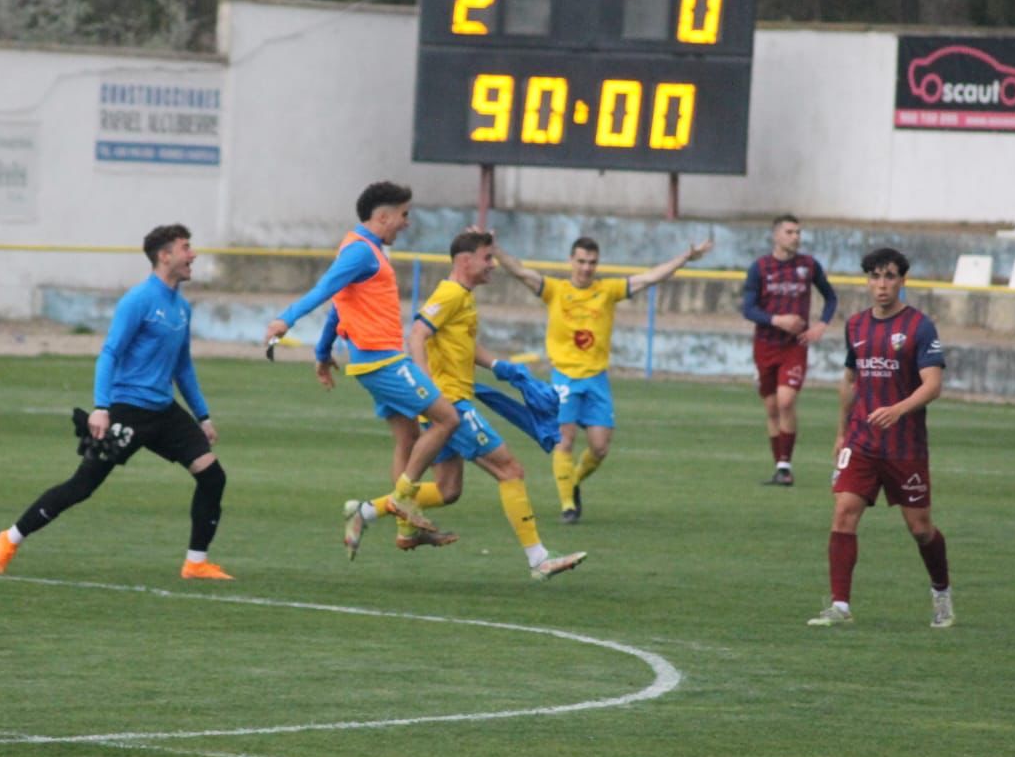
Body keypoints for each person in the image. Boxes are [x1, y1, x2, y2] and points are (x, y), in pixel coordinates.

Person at [0, 223, 232, 581]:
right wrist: (102, 407)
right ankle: (8, 539)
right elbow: (110, 353)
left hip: (164, 412)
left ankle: (196, 563)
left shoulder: (182, 308)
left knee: (213, 477)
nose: (192, 255)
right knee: (82, 486)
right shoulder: (138, 300)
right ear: (165, 256)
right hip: (127, 411)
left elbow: (183, 366)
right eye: (185, 248)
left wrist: (203, 416)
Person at [343, 229, 587, 579]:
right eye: (487, 258)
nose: (492, 265)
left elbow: (460, 345)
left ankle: (364, 513)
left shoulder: (464, 297)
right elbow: (418, 334)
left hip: (447, 404)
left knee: (448, 490)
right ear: (465, 261)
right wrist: (429, 393)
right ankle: (539, 559)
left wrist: (499, 366)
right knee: (511, 470)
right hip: (452, 406)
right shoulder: (450, 293)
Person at [264, 181, 460, 553]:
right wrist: (284, 319)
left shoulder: (364, 250)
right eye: (403, 215)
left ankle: (405, 530)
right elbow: (324, 288)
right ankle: (401, 500)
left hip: (372, 363)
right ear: (383, 216)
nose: (406, 222)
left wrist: (322, 352)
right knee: (447, 419)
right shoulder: (361, 252)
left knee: (407, 439)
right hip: (384, 361)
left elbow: (340, 304)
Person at [492, 233, 713, 522]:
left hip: (596, 379)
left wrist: (685, 257)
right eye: (581, 261)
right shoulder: (554, 290)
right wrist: (494, 247)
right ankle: (568, 506)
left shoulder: (607, 291)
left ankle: (572, 482)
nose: (586, 268)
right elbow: (519, 270)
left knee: (599, 447)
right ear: (571, 260)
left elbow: (649, 278)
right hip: (565, 378)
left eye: (592, 262)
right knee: (565, 441)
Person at [808, 247, 952, 628]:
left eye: (889, 276)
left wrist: (898, 409)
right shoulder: (855, 326)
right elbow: (851, 381)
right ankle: (840, 606)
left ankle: (941, 592)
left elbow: (933, 385)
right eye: (875, 276)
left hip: (905, 446)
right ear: (867, 281)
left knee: (920, 529)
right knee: (843, 515)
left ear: (903, 280)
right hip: (861, 441)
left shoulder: (920, 327)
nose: (882, 284)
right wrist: (841, 431)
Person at [742, 214, 838, 486]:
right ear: (776, 235)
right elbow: (748, 309)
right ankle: (780, 466)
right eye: (790, 232)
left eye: (798, 232)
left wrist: (821, 324)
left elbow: (830, 297)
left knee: (786, 401)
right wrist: (778, 320)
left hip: (794, 347)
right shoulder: (759, 268)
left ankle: (785, 466)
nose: (795, 237)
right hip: (765, 346)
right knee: (772, 407)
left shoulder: (808, 266)